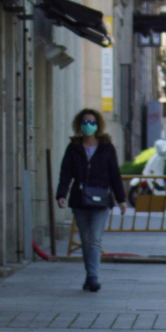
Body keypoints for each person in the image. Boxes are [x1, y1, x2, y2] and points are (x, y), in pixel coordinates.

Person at [55, 108, 128, 292]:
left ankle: (94, 277)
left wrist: (121, 199)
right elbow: (66, 173)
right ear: (79, 125)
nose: (89, 125)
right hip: (80, 200)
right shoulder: (73, 148)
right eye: (85, 122)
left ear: (98, 125)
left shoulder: (106, 147)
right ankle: (89, 275)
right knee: (86, 239)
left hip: (101, 200)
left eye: (92, 122)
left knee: (95, 238)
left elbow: (114, 174)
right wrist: (61, 195)